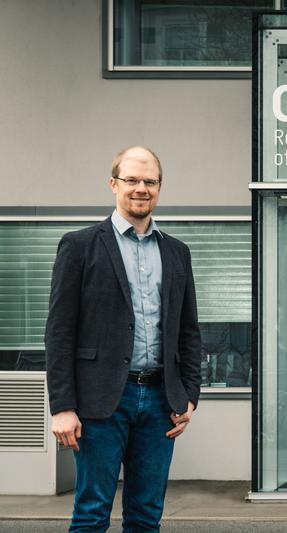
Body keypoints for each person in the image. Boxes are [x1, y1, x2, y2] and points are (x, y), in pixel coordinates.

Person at [45, 146, 202, 532]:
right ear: (114, 184)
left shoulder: (177, 252)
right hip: (100, 403)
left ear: (160, 188)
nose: (141, 188)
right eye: (132, 180)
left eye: (150, 181)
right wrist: (61, 406)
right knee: (92, 511)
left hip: (161, 403)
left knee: (147, 515)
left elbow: (189, 331)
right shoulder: (80, 245)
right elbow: (59, 332)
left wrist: (189, 395)